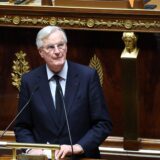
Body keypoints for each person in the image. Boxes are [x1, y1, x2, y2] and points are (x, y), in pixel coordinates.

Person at [14, 25, 112, 159]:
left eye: (61, 45)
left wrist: (79, 147)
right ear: (41, 52)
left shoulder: (87, 77)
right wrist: (31, 149)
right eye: (50, 47)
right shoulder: (30, 81)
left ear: (66, 47)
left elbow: (103, 123)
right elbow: (22, 126)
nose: (57, 51)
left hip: (81, 157)